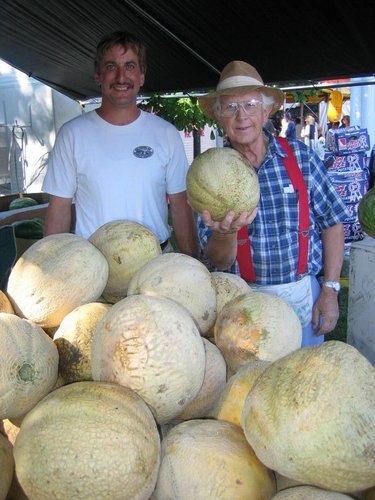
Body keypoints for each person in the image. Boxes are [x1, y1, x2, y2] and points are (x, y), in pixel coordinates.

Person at [197, 60, 349, 347]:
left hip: (303, 298)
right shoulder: (207, 175)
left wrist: (330, 290)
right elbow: (218, 261)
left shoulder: (301, 159)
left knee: (301, 385)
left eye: (250, 105)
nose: (241, 116)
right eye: (230, 107)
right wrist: (225, 232)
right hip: (241, 305)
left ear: (266, 111)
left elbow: (333, 224)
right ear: (219, 117)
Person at [42, 31, 198, 257]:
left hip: (155, 265)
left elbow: (181, 206)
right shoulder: (72, 134)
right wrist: (49, 266)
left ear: (142, 76)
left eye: (130, 66)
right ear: (98, 76)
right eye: (111, 66)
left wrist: (194, 262)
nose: (121, 77)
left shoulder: (166, 133)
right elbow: (59, 208)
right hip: (93, 268)